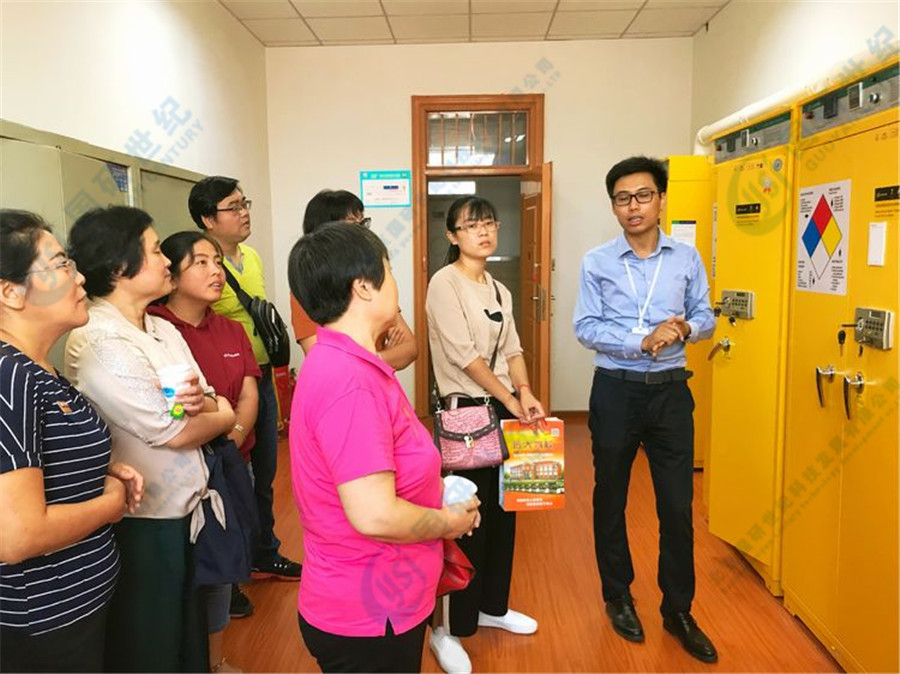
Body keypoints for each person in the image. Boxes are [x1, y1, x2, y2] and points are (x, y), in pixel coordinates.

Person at [288, 223, 479, 673]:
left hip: (379, 600)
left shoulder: (349, 362)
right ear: (363, 287)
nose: (396, 284)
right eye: (389, 271)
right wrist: (449, 521)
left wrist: (436, 492)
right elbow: (374, 515)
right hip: (369, 612)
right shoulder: (349, 382)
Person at [65, 206, 237, 672]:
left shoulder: (160, 327)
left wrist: (210, 409)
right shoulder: (99, 339)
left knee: (186, 633)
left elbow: (207, 396)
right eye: (157, 250)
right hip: (143, 518)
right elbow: (174, 429)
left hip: (186, 507)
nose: (166, 261)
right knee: (151, 641)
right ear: (120, 266)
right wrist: (220, 415)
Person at [573, 156, 718, 663]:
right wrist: (641, 340)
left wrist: (684, 328)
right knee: (610, 496)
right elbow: (586, 326)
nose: (633, 206)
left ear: (661, 199)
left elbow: (705, 315)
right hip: (616, 390)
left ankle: (678, 609)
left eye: (643, 195)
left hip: (671, 393)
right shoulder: (597, 261)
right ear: (613, 206)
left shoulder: (687, 257)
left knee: (676, 506)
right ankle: (618, 596)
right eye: (622, 198)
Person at [0, 210, 143, 673]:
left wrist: (98, 468)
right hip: (42, 619)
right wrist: (111, 502)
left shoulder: (35, 367)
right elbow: (17, 534)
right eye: (61, 264)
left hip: (74, 606)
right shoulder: (8, 375)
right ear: (10, 292)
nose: (79, 277)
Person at [425, 195, 544, 674]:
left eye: (489, 223)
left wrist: (525, 391)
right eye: (472, 225)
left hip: (501, 410)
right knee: (466, 520)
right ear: (452, 235)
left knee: (503, 514)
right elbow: (464, 356)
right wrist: (511, 400)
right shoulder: (444, 283)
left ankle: (492, 606)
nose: (484, 231)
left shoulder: (498, 288)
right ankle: (448, 628)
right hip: (467, 416)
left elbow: (512, 348)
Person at [188, 177, 302, 622]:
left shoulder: (250, 257)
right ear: (207, 219)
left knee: (265, 475)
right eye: (232, 207)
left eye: (244, 203)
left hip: (260, 375)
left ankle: (264, 552)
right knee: (230, 479)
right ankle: (230, 573)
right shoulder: (200, 269)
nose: (244, 212)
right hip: (224, 388)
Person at [150, 230, 263, 674]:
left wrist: (230, 437)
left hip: (229, 460)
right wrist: (214, 432)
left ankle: (216, 661)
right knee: (183, 572)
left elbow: (249, 394)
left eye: (217, 261)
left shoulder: (231, 328)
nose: (217, 271)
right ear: (172, 274)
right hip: (179, 471)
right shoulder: (157, 329)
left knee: (221, 567)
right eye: (201, 262)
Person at [290, 189, 417, 370]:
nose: (362, 231)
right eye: (353, 224)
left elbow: (409, 349)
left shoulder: (370, 275)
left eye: (363, 223)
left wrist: (371, 357)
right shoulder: (309, 288)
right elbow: (330, 362)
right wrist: (378, 356)